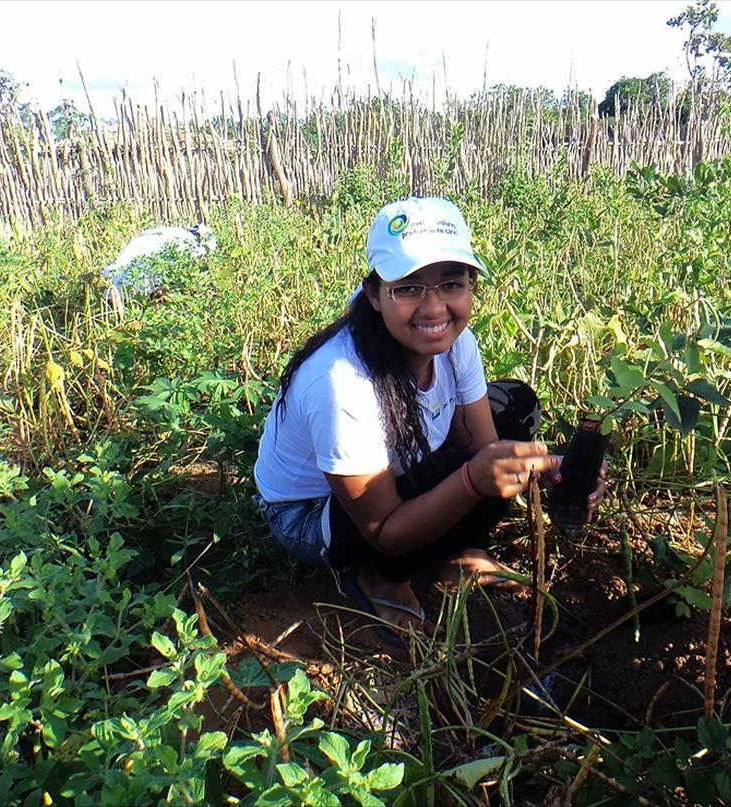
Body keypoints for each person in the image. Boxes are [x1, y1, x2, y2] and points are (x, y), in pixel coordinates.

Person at [253, 197, 604, 645]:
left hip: (390, 475)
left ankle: (457, 556)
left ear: (470, 286)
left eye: (451, 284)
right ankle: (382, 582)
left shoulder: (457, 342)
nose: (434, 308)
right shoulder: (341, 382)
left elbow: (483, 445)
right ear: (375, 295)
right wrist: (472, 483)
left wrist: (556, 466)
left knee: (516, 405)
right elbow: (384, 529)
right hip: (309, 515)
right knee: (444, 477)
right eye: (409, 287)